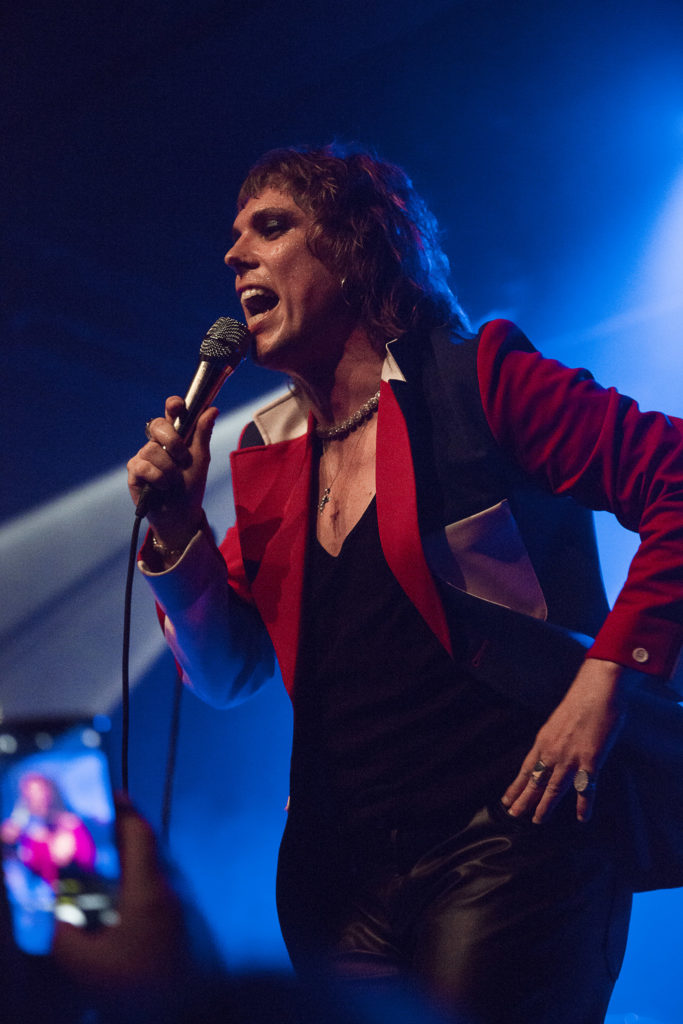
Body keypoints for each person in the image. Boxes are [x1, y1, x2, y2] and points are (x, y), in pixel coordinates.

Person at [127, 144, 683, 1023]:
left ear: (356, 248)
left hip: (507, 837)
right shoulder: (270, 452)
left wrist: (608, 677)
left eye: (270, 228)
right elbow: (227, 669)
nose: (234, 255)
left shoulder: (479, 379)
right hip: (338, 873)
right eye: (235, 239)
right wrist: (176, 529)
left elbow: (673, 478)